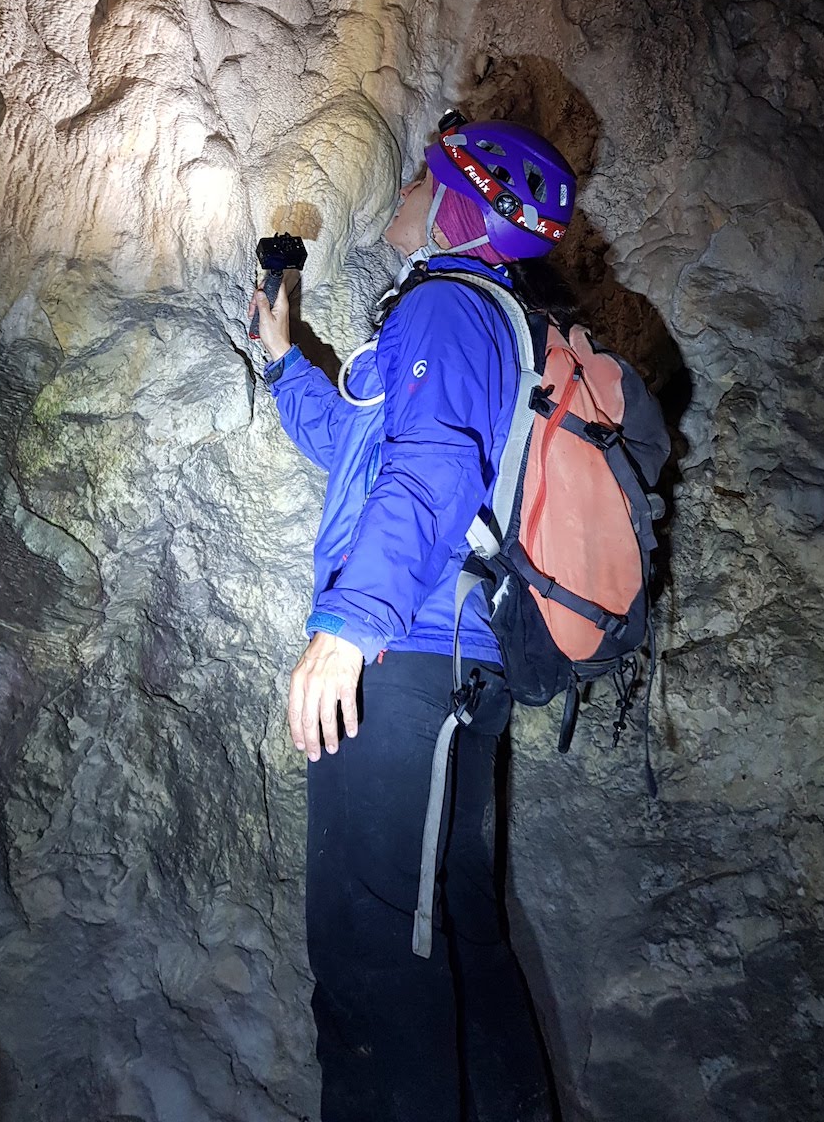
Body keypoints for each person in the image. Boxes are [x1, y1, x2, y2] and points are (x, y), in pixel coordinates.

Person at [250, 117, 576, 1122]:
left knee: (371, 949)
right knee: (457, 927)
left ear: (459, 208)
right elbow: (360, 446)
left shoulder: (445, 309)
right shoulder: (461, 322)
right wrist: (278, 359)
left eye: (422, 178)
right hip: (446, 673)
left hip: (405, 664)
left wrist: (348, 626)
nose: (403, 190)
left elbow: (430, 473)